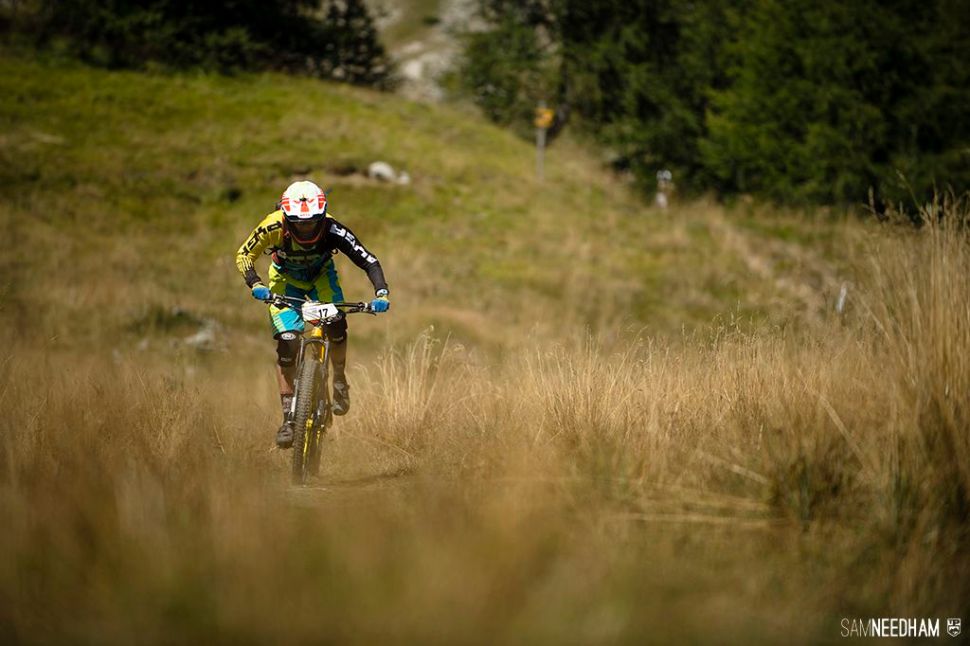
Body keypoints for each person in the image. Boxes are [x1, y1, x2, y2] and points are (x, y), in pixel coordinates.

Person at [235, 180, 389, 448]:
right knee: (287, 342)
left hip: (322, 279)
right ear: (286, 217)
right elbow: (244, 254)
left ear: (322, 216)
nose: (306, 227)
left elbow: (368, 260)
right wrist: (255, 283)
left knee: (337, 324)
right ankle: (288, 419)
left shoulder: (333, 229)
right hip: (285, 281)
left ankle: (339, 378)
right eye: (299, 223)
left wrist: (381, 293)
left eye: (312, 222)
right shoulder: (272, 225)